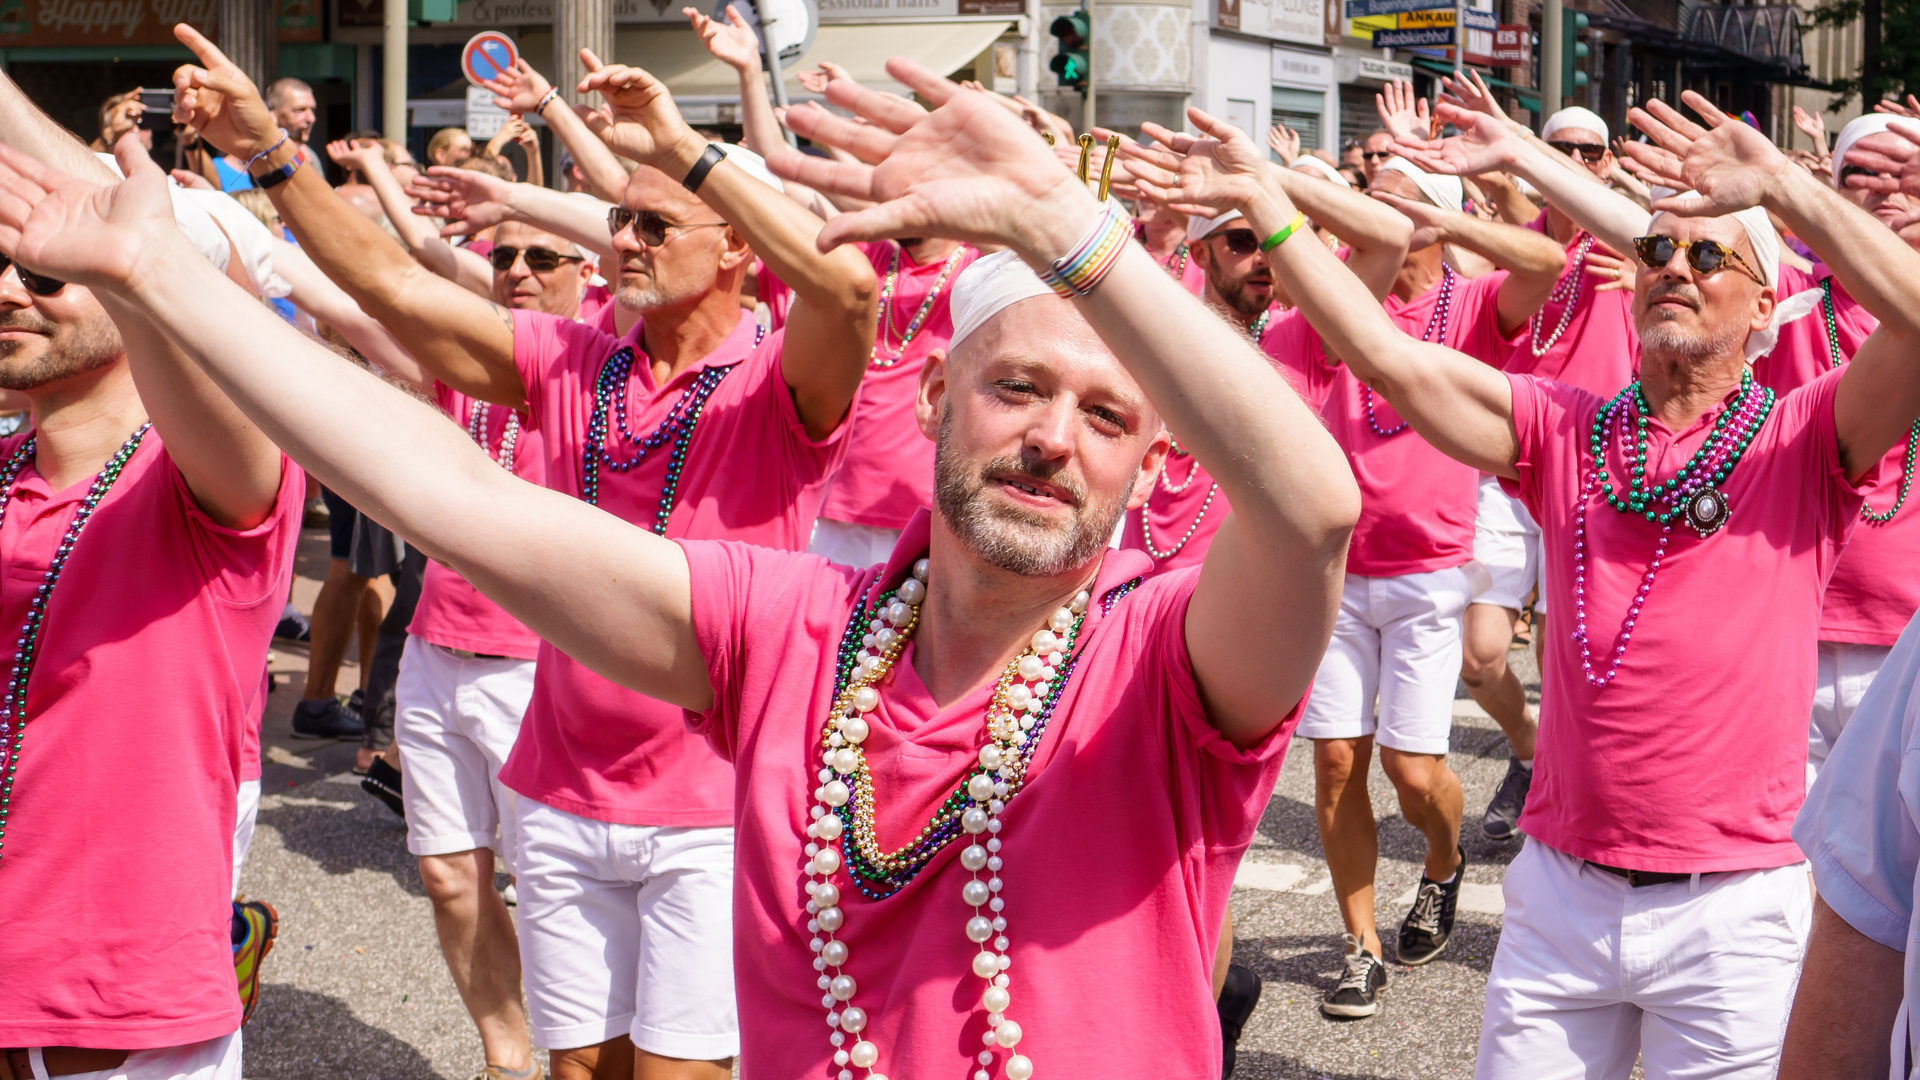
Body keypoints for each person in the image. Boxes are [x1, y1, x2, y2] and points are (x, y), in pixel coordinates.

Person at [12, 44, 1358, 1079]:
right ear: (938, 393)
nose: (1057, 439)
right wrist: (156, 274)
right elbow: (458, 497)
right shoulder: (796, 632)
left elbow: (1309, 514)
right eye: (1019, 392)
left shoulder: (1163, 666)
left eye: (1109, 415)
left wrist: (1068, 225)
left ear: (1156, 459)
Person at [167, 24, 877, 1080]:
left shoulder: (782, 385)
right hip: (557, 783)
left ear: (736, 246)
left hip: (710, 803)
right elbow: (395, 289)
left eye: (655, 222)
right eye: (619, 220)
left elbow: (851, 292)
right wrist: (274, 155)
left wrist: (683, 142)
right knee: (573, 1074)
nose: (623, 240)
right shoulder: (568, 358)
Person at [1251, 86, 1920, 1077]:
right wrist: (1266, 200)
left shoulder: (1803, 437)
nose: (1673, 270)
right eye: (1654, 251)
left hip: (1733, 911)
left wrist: (1783, 184)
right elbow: (1390, 359)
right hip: (1559, 899)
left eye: (1706, 255)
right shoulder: (1566, 429)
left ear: (1767, 308)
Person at [0, 82, 301, 1078]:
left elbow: (241, 388)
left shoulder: (206, 482)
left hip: (112, 1008)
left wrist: (139, 260)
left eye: (48, 275)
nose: (12, 291)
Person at [1395, 86, 1646, 839]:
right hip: (1513, 465)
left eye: (1587, 152)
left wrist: (1650, 281)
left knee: (1590, 651)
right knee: (1481, 658)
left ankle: (1585, 791)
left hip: (1605, 473)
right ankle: (1529, 748)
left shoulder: (1637, 242)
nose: (1574, 161)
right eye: (1559, 148)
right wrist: (1422, 158)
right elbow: (1460, 231)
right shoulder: (1512, 237)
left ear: (1609, 164)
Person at [265, 77, 319, 169]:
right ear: (273, 113)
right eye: (300, 110)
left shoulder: (310, 156)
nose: (311, 119)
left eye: (312, 110)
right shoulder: (255, 156)